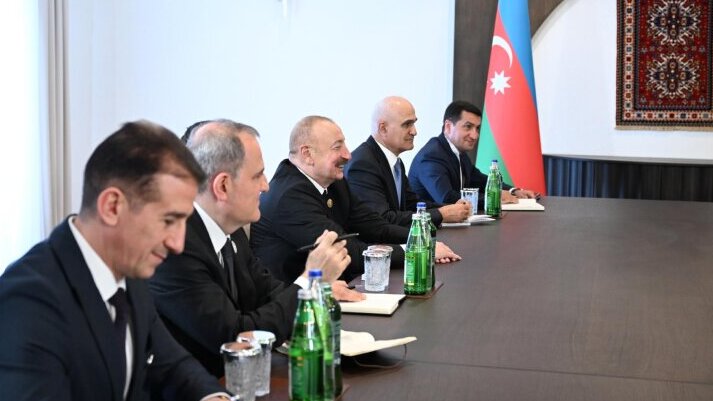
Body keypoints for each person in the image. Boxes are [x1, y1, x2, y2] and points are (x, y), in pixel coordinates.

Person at [0, 121, 230, 401]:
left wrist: (215, 397)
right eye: (169, 220)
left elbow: (172, 365)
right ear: (112, 207)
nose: (177, 244)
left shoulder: (129, 271)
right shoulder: (28, 301)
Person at [149, 119, 361, 378]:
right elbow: (235, 336)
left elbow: (266, 290)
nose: (266, 186)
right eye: (257, 175)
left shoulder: (232, 229)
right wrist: (310, 282)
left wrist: (318, 290)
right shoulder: (175, 248)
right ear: (223, 186)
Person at [251, 116, 461, 283]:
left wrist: (422, 240)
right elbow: (344, 251)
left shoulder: (334, 182)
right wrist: (417, 250)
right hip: (297, 306)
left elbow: (375, 226)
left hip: (336, 288)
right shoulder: (289, 196)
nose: (348, 154)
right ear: (307, 154)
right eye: (337, 147)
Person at [344, 96, 471, 227]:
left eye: (414, 123)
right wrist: (441, 214)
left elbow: (411, 204)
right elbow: (382, 220)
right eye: (407, 124)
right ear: (383, 129)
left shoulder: (395, 162)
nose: (414, 132)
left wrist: (450, 208)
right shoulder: (363, 164)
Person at [408, 100, 538, 205]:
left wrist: (513, 191)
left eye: (477, 128)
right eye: (468, 127)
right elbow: (447, 198)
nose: (475, 136)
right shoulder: (431, 156)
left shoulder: (459, 152)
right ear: (448, 126)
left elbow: (481, 181)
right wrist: (494, 197)